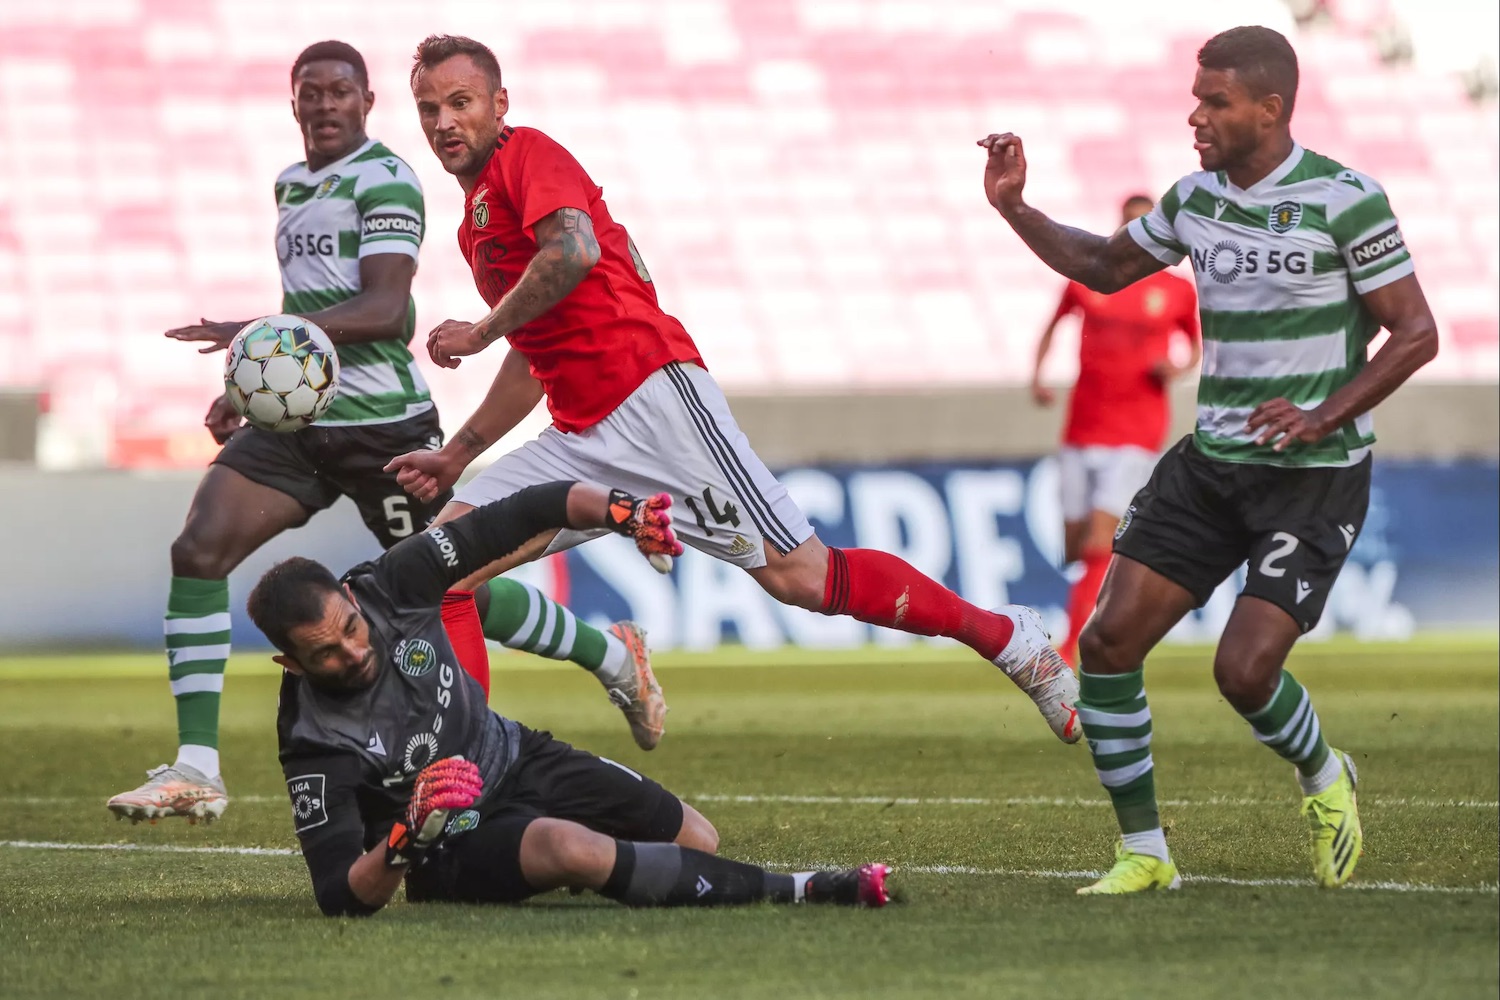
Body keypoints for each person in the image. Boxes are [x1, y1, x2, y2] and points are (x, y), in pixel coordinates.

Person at [382, 34, 1080, 746]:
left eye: (460, 102)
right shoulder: (476, 224)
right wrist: (458, 453)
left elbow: (575, 249)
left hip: (654, 398)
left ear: (500, 105)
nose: (443, 122)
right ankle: (463, 774)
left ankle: (1008, 638)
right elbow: (536, 355)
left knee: (802, 579)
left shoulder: (528, 154)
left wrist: (481, 331)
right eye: (428, 108)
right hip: (579, 434)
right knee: (439, 569)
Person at [108, 41, 666, 828]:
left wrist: (255, 333)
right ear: (293, 102)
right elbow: (307, 313)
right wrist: (253, 387)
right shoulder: (292, 183)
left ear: (368, 102)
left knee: (437, 591)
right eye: (311, 93)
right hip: (299, 428)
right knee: (198, 548)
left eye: (341, 91)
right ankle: (197, 765)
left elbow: (384, 311)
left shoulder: (387, 178)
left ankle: (612, 657)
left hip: (383, 428)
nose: (326, 104)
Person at [981, 24, 1438, 894]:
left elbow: (1415, 332)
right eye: (1196, 97)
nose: (1195, 115)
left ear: (1269, 109)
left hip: (1314, 475)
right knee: (1108, 644)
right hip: (1213, 464)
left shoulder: (1346, 198)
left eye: (1215, 100)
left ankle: (1324, 772)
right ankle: (1145, 853)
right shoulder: (1194, 199)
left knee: (1244, 670)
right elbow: (1102, 266)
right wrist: (1015, 208)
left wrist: (1320, 414)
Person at [249, 480, 890, 915]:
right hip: (445, 843)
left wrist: (622, 512)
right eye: (326, 653)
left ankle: (566, 858)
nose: (353, 653)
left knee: (697, 840)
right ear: (291, 664)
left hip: (515, 752)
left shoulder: (394, 582)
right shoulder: (313, 739)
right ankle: (807, 889)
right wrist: (404, 839)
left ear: (355, 600)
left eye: (352, 631)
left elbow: (527, 510)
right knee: (568, 848)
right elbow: (339, 894)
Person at [1031, 194, 1202, 664]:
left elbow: (1194, 346)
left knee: (1098, 542)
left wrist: (1175, 369)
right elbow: (1054, 324)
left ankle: (1070, 649)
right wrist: (1039, 374)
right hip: (1082, 427)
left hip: (1136, 431)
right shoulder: (1091, 279)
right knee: (1074, 545)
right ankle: (1118, 611)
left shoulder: (1175, 290)